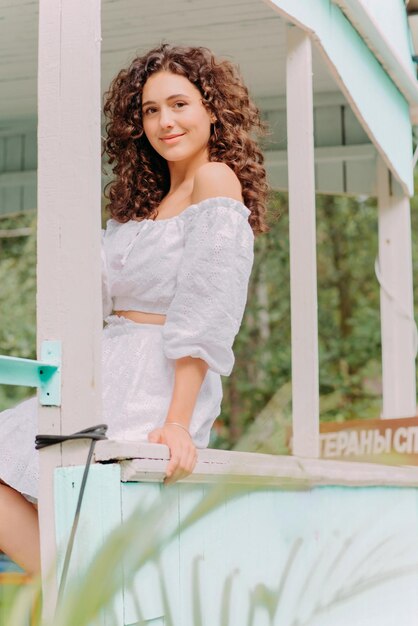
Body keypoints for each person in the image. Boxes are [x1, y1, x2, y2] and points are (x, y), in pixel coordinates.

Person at [0, 42, 269, 576]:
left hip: (157, 381)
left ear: (212, 110)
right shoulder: (138, 205)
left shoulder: (215, 181)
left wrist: (177, 422)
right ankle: (74, 597)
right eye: (150, 110)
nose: (164, 121)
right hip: (102, 371)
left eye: (179, 104)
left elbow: (208, 308)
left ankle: (72, 599)